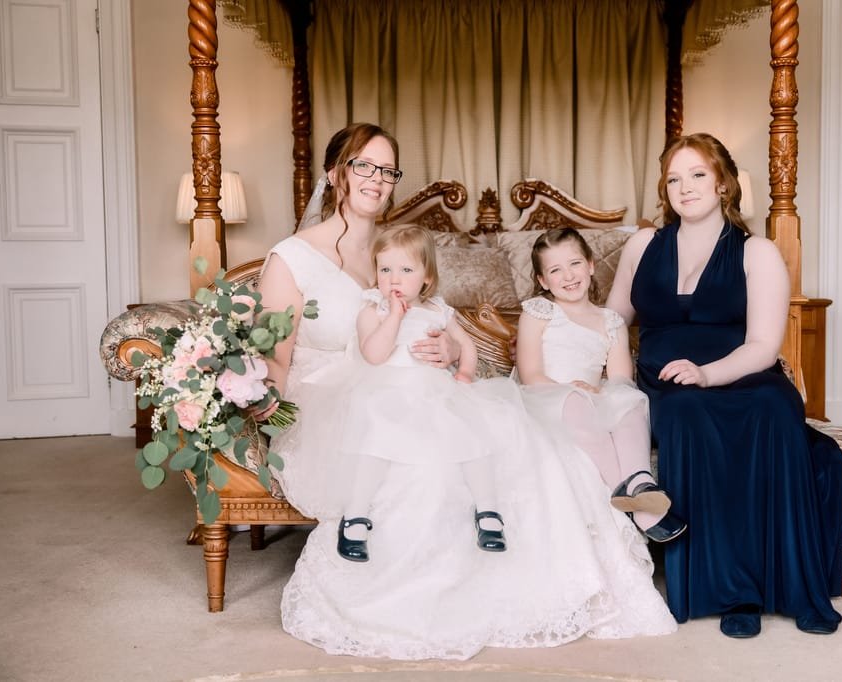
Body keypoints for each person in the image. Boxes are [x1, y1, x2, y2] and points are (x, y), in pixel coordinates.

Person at [255, 122, 676, 660]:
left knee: (512, 434)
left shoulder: (402, 251)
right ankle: (416, 605)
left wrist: (453, 354)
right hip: (337, 397)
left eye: (387, 170)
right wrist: (259, 398)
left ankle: (525, 571)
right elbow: (277, 356)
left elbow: (441, 329)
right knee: (423, 459)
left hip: (418, 388)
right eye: (364, 165)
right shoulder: (292, 256)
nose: (376, 180)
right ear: (336, 173)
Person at [606, 132, 842, 638]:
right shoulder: (642, 245)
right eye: (674, 177)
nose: (685, 186)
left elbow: (764, 345)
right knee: (688, 414)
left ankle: (789, 587)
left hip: (743, 372)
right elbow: (610, 323)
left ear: (723, 184)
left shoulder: (756, 251)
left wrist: (709, 373)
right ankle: (732, 593)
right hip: (667, 379)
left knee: (773, 410)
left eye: (697, 174)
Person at [328, 224, 506, 561]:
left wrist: (465, 374)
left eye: (406, 270)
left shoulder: (438, 310)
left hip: (434, 390)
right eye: (385, 269)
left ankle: (488, 511)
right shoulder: (373, 310)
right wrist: (394, 317)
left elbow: (468, 346)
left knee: (473, 436)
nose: (393, 279)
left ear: (426, 277)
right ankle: (355, 515)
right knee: (375, 438)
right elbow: (374, 355)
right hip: (386, 390)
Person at [514, 227, 686, 542]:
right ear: (542, 281)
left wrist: (603, 393)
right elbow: (531, 374)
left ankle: (638, 482)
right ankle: (637, 508)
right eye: (555, 270)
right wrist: (570, 390)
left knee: (631, 400)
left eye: (575, 264)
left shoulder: (611, 322)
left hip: (590, 398)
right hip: (543, 397)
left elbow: (620, 378)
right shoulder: (539, 313)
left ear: (591, 265)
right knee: (575, 402)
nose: (568, 275)